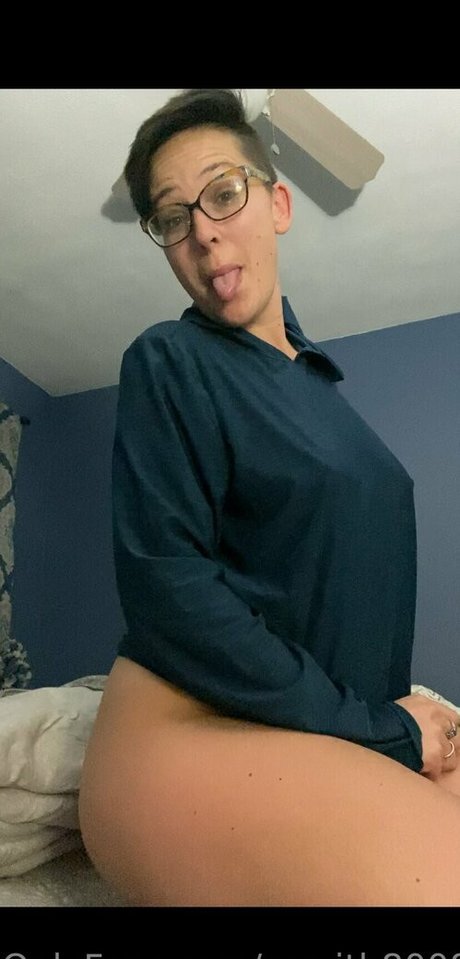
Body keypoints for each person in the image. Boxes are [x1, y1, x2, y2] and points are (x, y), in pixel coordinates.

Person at [79, 88, 460, 907]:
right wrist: (382, 731)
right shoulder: (170, 358)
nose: (203, 231)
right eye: (171, 216)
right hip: (181, 729)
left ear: (277, 204)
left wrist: (382, 728)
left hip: (322, 729)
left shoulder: (322, 386)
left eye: (223, 192)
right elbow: (168, 589)